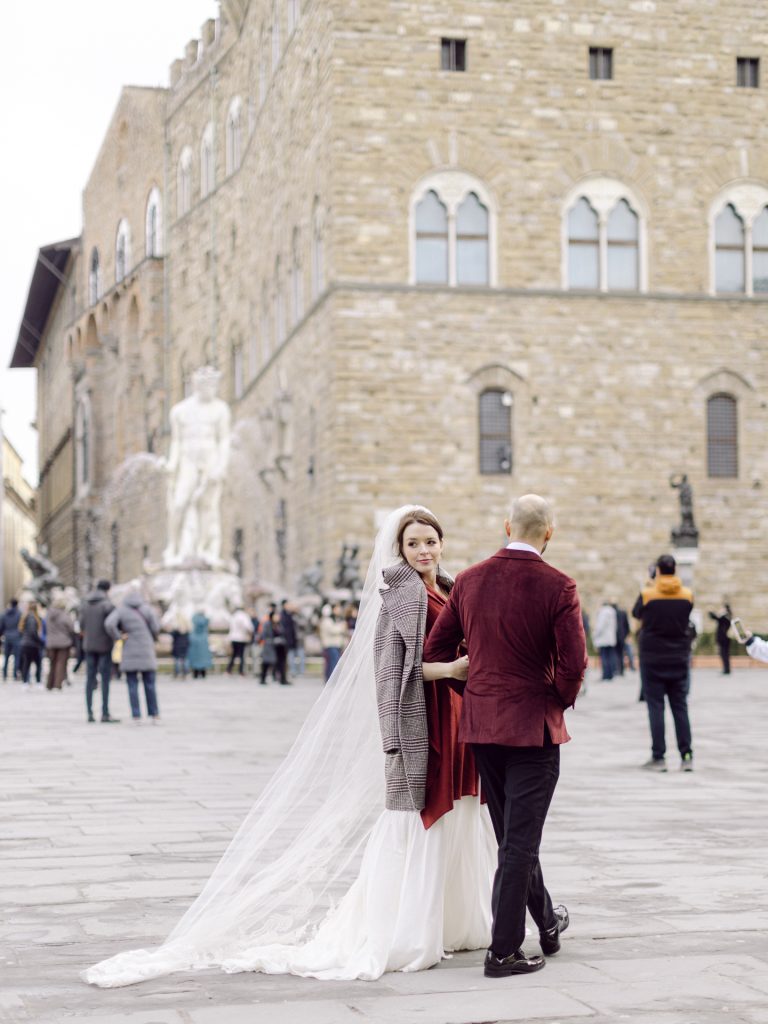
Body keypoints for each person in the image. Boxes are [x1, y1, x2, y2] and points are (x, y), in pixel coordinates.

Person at [82, 504, 494, 988]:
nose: (424, 550)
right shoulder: (400, 597)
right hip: (425, 727)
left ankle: (457, 920)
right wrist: (449, 671)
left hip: (458, 719)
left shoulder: (447, 587)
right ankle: (408, 928)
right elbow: (388, 678)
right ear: (399, 549)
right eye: (414, 543)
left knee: (461, 820)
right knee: (419, 827)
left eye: (431, 540)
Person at [425, 494, 587, 978]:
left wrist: (476, 690)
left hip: (482, 726)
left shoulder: (470, 580)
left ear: (506, 525)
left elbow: (439, 650)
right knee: (519, 841)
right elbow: (575, 664)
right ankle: (504, 951)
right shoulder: (559, 585)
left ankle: (547, 923)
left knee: (513, 836)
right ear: (549, 533)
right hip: (532, 730)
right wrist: (551, 700)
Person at [632, 554, 694, 772]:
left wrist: (650, 584)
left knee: (656, 707)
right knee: (680, 706)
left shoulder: (648, 594)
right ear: (675, 569)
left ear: (657, 570)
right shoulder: (687, 595)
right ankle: (686, 755)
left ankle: (659, 757)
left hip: (653, 658)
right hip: (679, 657)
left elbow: (636, 613)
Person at [106, 591, 161, 723]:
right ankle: (154, 714)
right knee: (150, 684)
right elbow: (156, 627)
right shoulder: (147, 609)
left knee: (132, 684)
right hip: (146, 648)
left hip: (129, 648)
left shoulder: (121, 610)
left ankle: (136, 715)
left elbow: (109, 623)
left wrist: (118, 636)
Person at [81, 580, 119, 724]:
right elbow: (113, 624)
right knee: (105, 680)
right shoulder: (107, 605)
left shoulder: (85, 604)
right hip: (104, 646)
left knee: (89, 679)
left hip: (89, 646)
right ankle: (104, 712)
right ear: (108, 589)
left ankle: (89, 712)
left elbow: (82, 624)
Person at [44, 595, 75, 690]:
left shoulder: (48, 614)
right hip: (63, 642)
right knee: (61, 663)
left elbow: (45, 627)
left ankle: (49, 684)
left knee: (52, 663)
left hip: (51, 642)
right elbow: (71, 628)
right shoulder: (64, 615)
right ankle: (58, 684)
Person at [318, 604, 348, 682]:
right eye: (337, 609)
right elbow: (332, 630)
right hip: (330, 645)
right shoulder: (327, 620)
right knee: (333, 663)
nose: (339, 611)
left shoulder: (336, 620)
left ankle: (330, 679)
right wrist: (342, 627)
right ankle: (331, 680)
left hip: (336, 645)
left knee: (333, 662)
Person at [18, 601, 44, 687]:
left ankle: (25, 682)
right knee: (37, 663)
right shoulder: (33, 618)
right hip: (33, 644)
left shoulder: (25, 617)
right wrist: (40, 641)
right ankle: (37, 682)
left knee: (26, 663)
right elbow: (33, 632)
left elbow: (21, 631)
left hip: (25, 643)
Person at [592, 600, 617, 680]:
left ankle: (605, 675)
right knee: (610, 657)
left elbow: (600, 626)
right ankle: (610, 674)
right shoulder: (612, 612)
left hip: (603, 639)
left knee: (604, 658)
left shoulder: (603, 612)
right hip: (610, 639)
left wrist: (595, 635)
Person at [226, 607, 253, 675]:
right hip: (241, 638)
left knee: (234, 655)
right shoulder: (244, 616)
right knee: (241, 655)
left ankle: (229, 670)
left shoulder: (233, 616)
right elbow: (249, 627)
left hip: (233, 638)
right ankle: (241, 671)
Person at [708, 603, 733, 675]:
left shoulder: (725, 617)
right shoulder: (727, 617)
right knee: (725, 654)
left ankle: (726, 669)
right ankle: (726, 669)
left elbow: (715, 617)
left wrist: (710, 611)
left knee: (724, 654)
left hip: (723, 639)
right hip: (725, 639)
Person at [1, 598, 22, 680]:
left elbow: (1, 626)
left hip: (7, 636)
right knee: (17, 656)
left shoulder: (5, 614)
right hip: (16, 637)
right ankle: (14, 674)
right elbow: (21, 626)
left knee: (6, 656)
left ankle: (5, 674)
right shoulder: (19, 614)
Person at [188, 611, 213, 678]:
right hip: (203, 641)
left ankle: (195, 673)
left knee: (195, 658)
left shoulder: (192, 634)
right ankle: (203, 673)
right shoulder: (204, 634)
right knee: (203, 658)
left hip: (195, 641)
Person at [613, 604, 634, 674]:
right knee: (621, 653)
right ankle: (621, 670)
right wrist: (626, 634)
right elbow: (626, 625)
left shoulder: (612, 613)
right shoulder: (623, 613)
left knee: (616, 653)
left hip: (614, 636)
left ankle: (617, 669)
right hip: (622, 636)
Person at [279, 601, 297, 679]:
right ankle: (285, 674)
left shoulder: (290, 614)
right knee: (286, 658)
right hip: (286, 640)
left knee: (289, 657)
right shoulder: (282, 615)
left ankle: (287, 673)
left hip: (290, 639)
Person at [170, 613, 191, 679]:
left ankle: (178, 673)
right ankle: (186, 673)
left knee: (177, 660)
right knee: (185, 660)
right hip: (185, 646)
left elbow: (172, 635)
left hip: (177, 646)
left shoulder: (176, 629)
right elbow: (188, 638)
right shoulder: (187, 628)